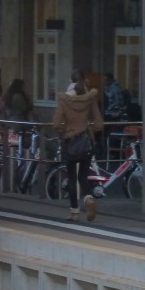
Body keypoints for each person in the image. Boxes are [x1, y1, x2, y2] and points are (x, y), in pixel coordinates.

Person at [54, 72, 103, 222]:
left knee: (71, 177)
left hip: (70, 142)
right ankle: (88, 198)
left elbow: (56, 123)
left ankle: (74, 212)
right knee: (83, 176)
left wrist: (65, 131)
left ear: (71, 81)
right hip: (86, 142)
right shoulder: (90, 99)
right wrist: (89, 129)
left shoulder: (64, 100)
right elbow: (99, 124)